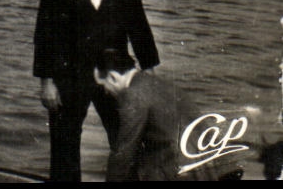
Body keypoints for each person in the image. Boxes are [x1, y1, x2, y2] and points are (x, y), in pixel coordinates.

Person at [34, 0, 159, 183]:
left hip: (115, 70)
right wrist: (47, 82)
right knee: (65, 145)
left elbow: (138, 21)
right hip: (69, 74)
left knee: (128, 138)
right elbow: (45, 34)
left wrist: (148, 69)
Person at [92, 50, 234, 182]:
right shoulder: (160, 84)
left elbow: (123, 153)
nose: (106, 92)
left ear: (112, 76)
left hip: (184, 172)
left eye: (103, 85)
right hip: (216, 166)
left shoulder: (133, 94)